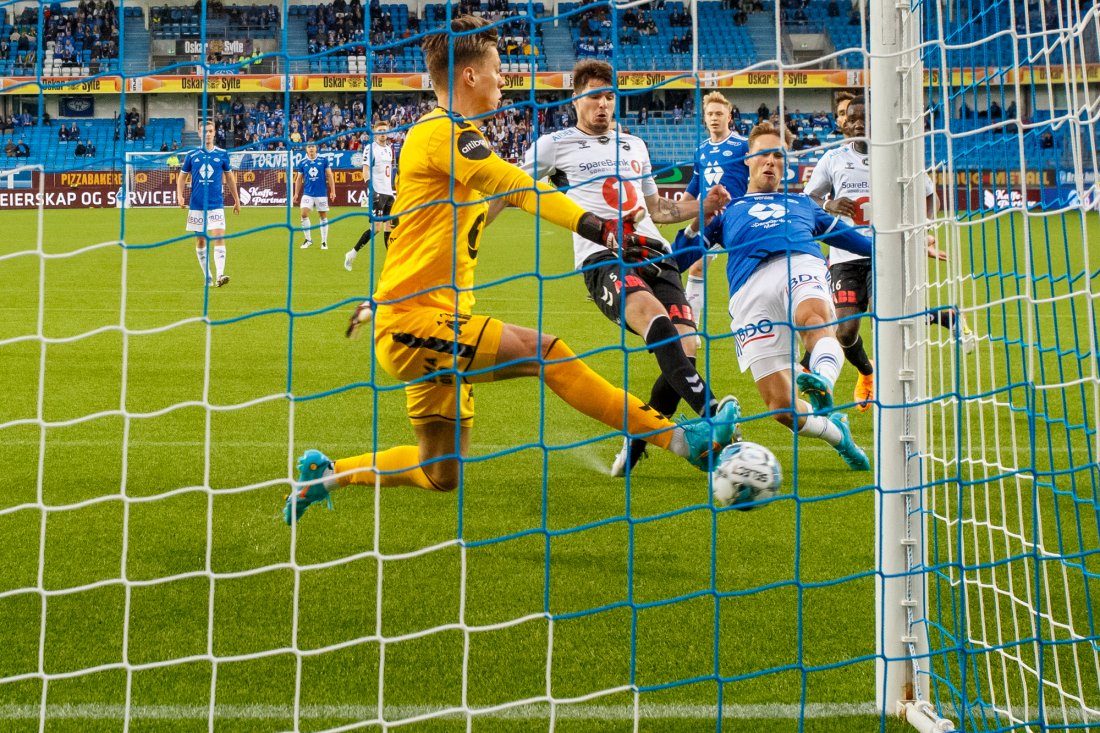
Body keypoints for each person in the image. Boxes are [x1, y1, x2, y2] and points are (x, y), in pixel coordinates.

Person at [286, 15, 733, 524]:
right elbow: (518, 189)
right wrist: (599, 228)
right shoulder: (442, 132)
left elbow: (411, 235)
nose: (505, 78)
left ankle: (329, 474)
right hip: (419, 325)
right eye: (498, 68)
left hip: (427, 325)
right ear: (470, 75)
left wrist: (378, 297)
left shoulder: (451, 140)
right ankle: (683, 440)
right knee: (547, 353)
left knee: (441, 472)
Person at [487, 59, 740, 477]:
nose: (603, 105)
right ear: (576, 99)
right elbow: (508, 187)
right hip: (603, 256)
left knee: (686, 351)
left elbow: (657, 208)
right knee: (653, 319)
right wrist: (473, 231)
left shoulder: (635, 145)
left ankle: (636, 443)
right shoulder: (555, 144)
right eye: (594, 96)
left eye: (609, 96)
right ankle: (711, 410)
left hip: (657, 254)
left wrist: (704, 205)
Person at [672, 121, 871, 471]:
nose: (770, 162)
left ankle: (821, 383)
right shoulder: (725, 211)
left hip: (799, 261)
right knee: (781, 407)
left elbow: (859, 242)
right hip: (748, 289)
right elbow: (680, 259)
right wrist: (697, 220)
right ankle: (837, 433)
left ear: (786, 164)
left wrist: (909, 247)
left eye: (778, 156)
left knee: (814, 318)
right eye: (763, 154)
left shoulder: (802, 204)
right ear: (747, 160)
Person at [801, 96, 965, 411]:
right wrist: (829, 204)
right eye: (853, 118)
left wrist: (924, 230)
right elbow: (808, 201)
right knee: (846, 332)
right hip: (843, 258)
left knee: (887, 317)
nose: (859, 123)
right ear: (843, 124)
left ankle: (896, 397)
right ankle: (868, 372)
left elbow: (930, 198)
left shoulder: (895, 155)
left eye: (865, 118)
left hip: (886, 255)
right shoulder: (832, 159)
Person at [678, 92, 750, 345]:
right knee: (696, 265)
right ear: (704, 119)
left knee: (747, 267)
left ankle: (752, 322)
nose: (714, 118)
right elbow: (695, 184)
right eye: (710, 114)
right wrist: (676, 210)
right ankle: (691, 329)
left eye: (719, 113)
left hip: (737, 218)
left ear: (729, 117)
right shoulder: (701, 150)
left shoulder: (743, 145)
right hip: (710, 219)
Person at [176, 121, 240, 287]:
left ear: (214, 132)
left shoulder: (222, 154)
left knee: (219, 236)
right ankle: (208, 276)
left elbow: (230, 179)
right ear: (199, 133)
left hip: (216, 204)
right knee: (201, 242)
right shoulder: (192, 155)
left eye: (211, 131)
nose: (208, 134)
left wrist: (236, 199)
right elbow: (182, 177)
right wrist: (179, 195)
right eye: (205, 132)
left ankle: (220, 275)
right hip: (197, 206)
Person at [345, 120, 395, 271]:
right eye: (380, 130)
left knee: (390, 227)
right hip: (377, 192)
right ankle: (352, 253)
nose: (382, 133)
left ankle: (391, 262)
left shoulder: (389, 149)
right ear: (375, 132)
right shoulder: (370, 148)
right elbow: (365, 170)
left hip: (389, 193)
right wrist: (371, 190)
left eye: (385, 130)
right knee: (376, 228)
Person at [293, 143, 336, 249]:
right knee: (303, 214)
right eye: (309, 147)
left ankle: (324, 242)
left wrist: (332, 191)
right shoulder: (302, 163)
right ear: (306, 149)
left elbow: (330, 175)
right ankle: (308, 240)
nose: (311, 148)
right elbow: (299, 179)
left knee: (322, 216)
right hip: (307, 193)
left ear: (316, 148)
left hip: (321, 193)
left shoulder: (323, 160)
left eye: (313, 146)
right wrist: (296, 193)